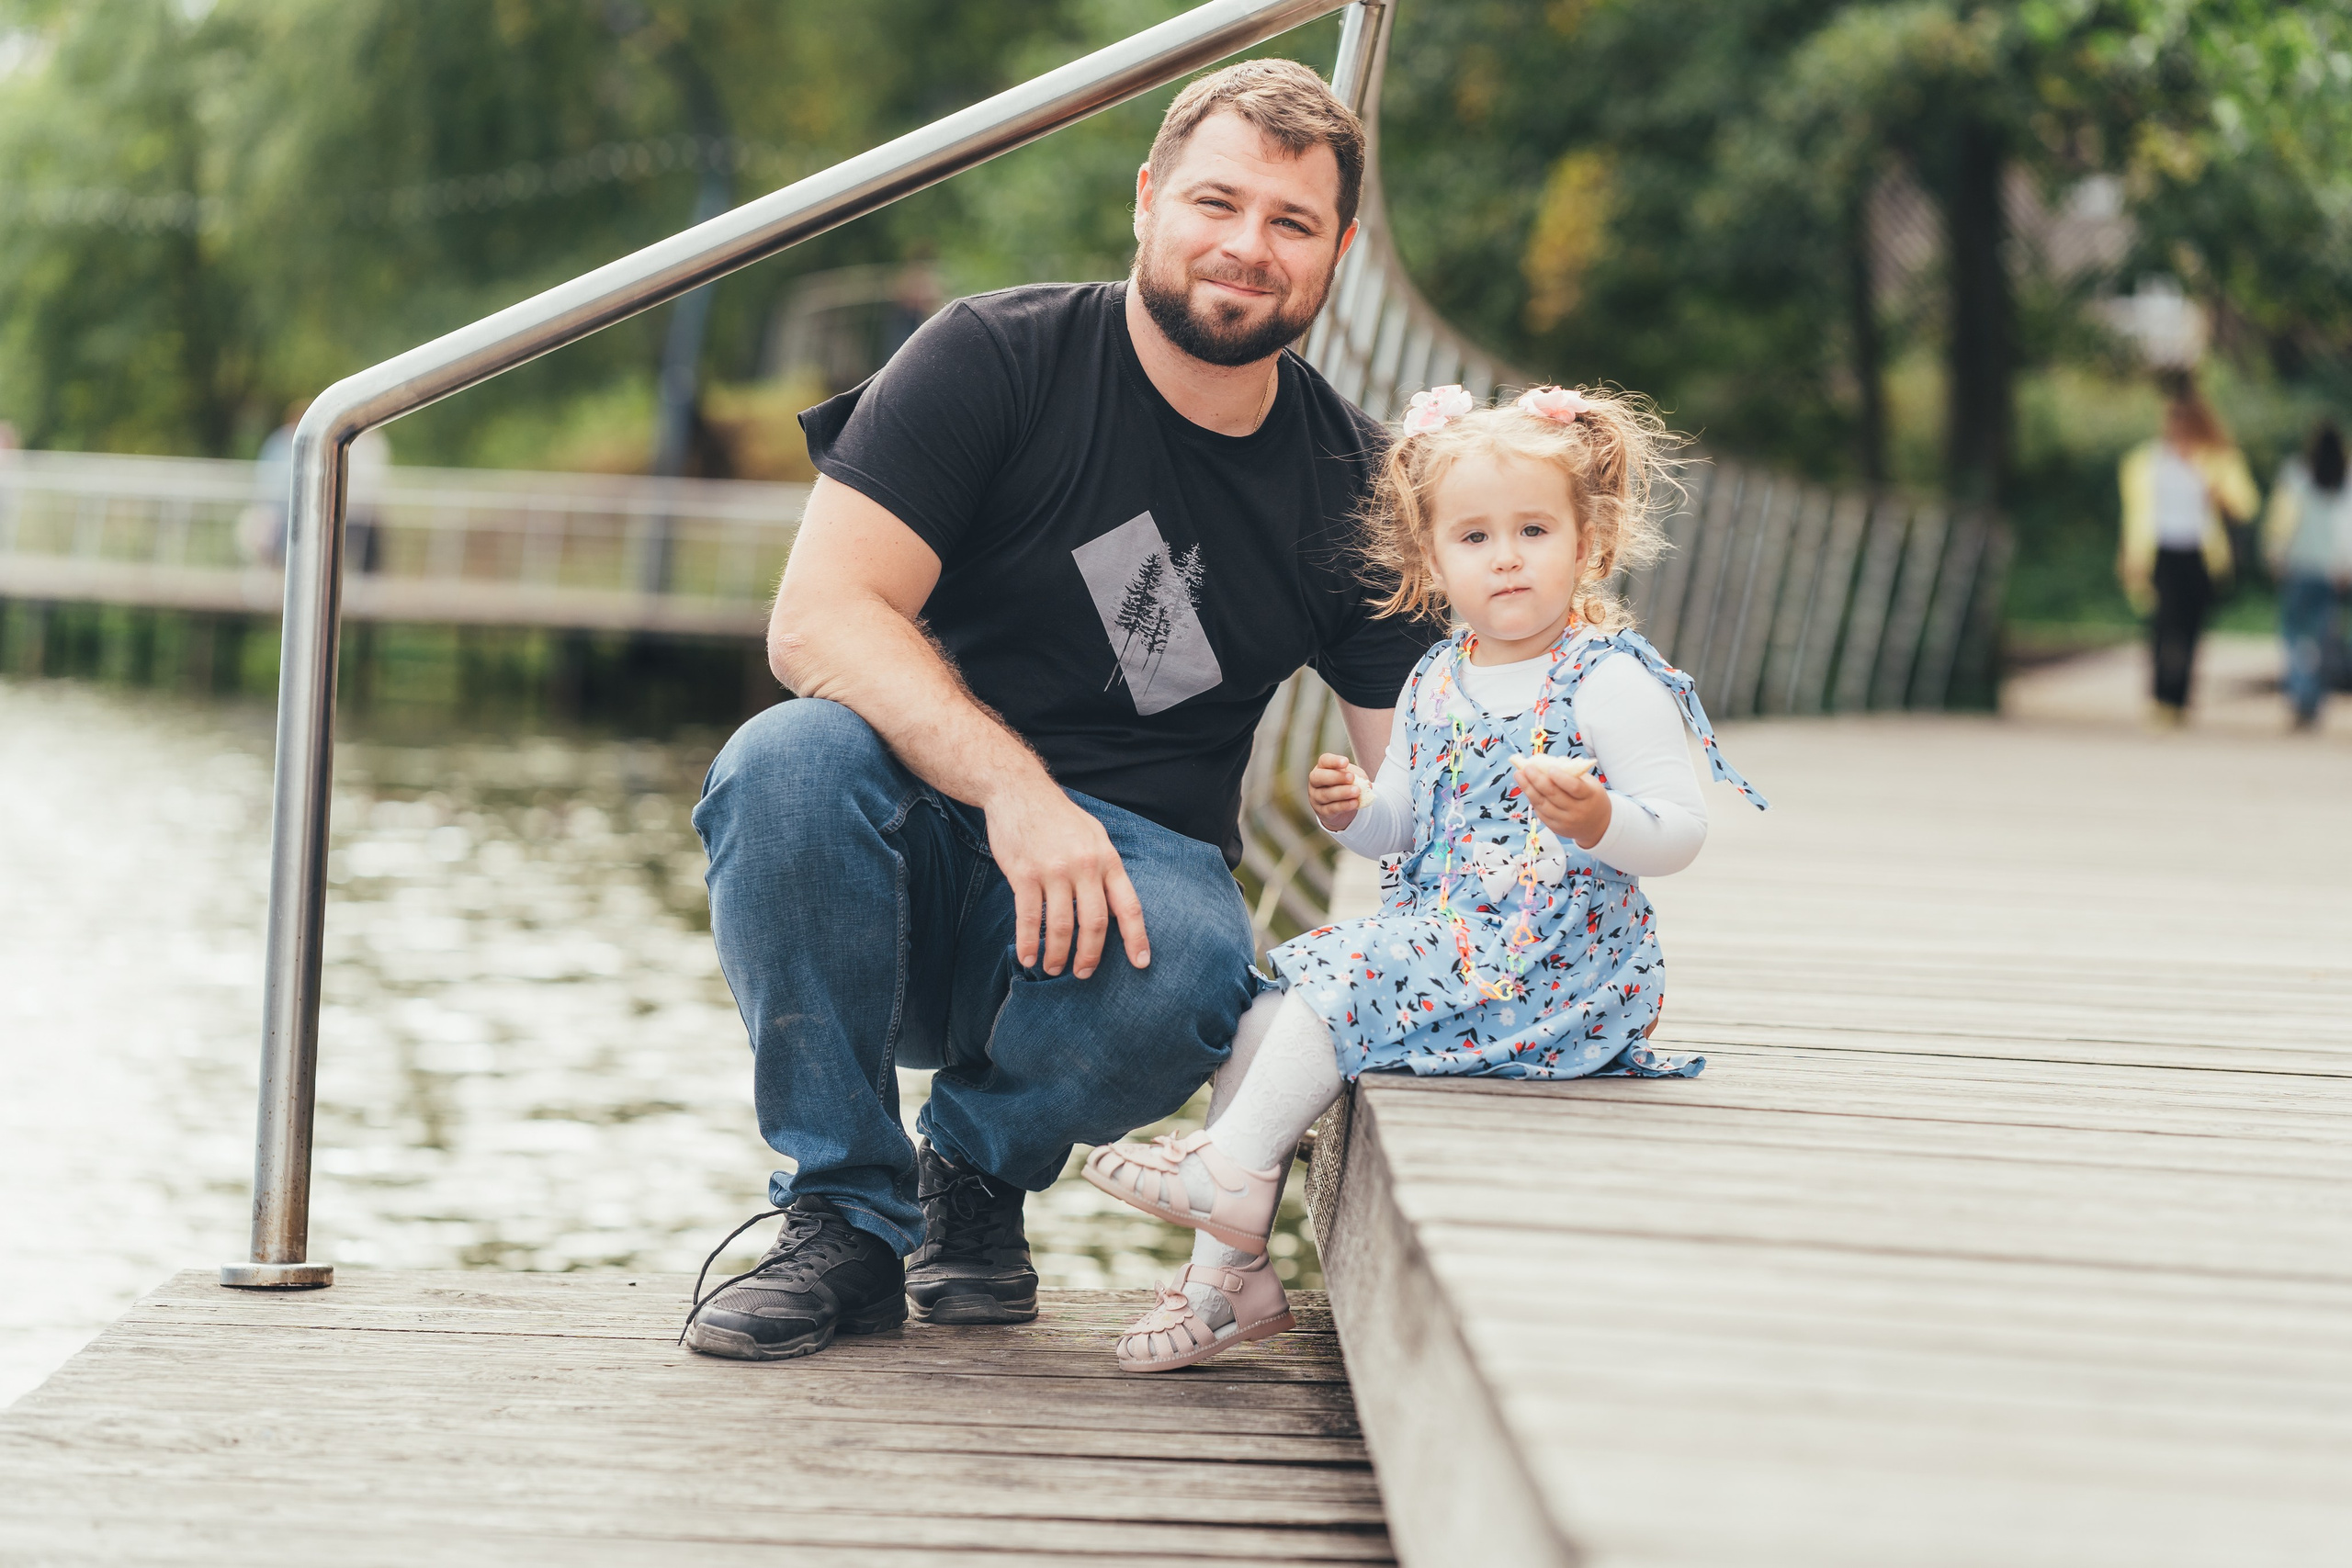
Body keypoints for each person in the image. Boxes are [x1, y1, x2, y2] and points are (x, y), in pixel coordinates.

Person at [678, 61, 1444, 1363]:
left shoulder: (1361, 488)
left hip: (1123, 919)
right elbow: (817, 619)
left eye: (1291, 222)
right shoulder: (994, 356)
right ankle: (843, 1222)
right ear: (1147, 198)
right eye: (1217, 201)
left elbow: (1419, 796)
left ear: (1341, 253)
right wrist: (1018, 795)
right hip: (910, 867)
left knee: (1204, 964)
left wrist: (1529, 943)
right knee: (785, 759)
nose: (1246, 247)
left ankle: (969, 1175)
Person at [1081, 384, 1769, 1372]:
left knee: (1345, 967)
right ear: (1430, 559)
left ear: (1589, 542)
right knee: (1267, 1014)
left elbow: (1681, 830)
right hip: (1456, 949)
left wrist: (1601, 819)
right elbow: (1404, 827)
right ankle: (1224, 1279)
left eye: (1533, 530)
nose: (1505, 557)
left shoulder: (1608, 678)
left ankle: (1226, 1173)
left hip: (1560, 974)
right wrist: (1356, 810)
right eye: (1475, 537)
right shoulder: (1434, 677)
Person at [2117, 376, 2259, 723]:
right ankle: (2161, 696)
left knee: (2191, 627)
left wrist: (2219, 495)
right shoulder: (2145, 462)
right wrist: (2128, 556)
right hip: (2160, 553)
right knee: (2163, 626)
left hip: (2199, 554)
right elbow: (2134, 516)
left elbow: (2246, 505)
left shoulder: (2216, 460)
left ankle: (2180, 699)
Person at [2264, 420, 2351, 730]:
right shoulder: (2345, 481)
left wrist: (2275, 554)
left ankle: (2302, 696)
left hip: (2299, 567)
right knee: (2323, 639)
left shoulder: (2296, 475)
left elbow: (2281, 520)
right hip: (2332, 571)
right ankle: (2314, 698)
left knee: (2296, 638)